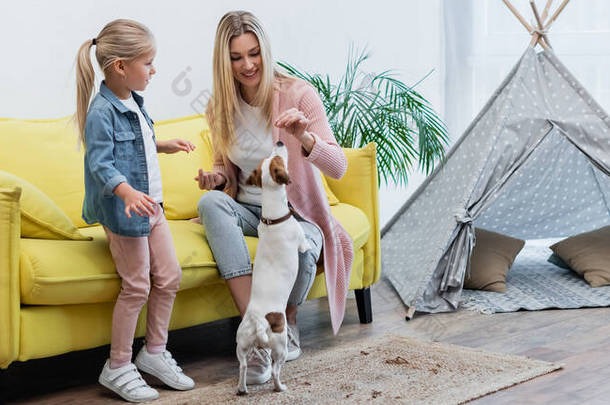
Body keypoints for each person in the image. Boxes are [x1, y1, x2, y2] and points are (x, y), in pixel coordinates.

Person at [195, 11, 354, 385]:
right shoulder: (219, 108)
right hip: (251, 210)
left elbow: (339, 167)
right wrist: (215, 178)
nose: (247, 65)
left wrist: (305, 137)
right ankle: (259, 333)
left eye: (254, 53)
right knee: (210, 205)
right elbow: (225, 168)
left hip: (295, 214)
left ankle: (286, 321)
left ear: (265, 51)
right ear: (224, 61)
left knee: (306, 244)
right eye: (236, 57)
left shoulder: (299, 94)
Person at [76, 19, 196, 402]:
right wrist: (126, 193)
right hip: (126, 212)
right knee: (138, 285)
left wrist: (162, 145)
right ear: (120, 66)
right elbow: (101, 163)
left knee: (170, 276)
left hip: (152, 207)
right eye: (148, 62)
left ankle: (155, 353)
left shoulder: (134, 102)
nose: (154, 70)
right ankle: (118, 364)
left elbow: (136, 146)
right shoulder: (101, 112)